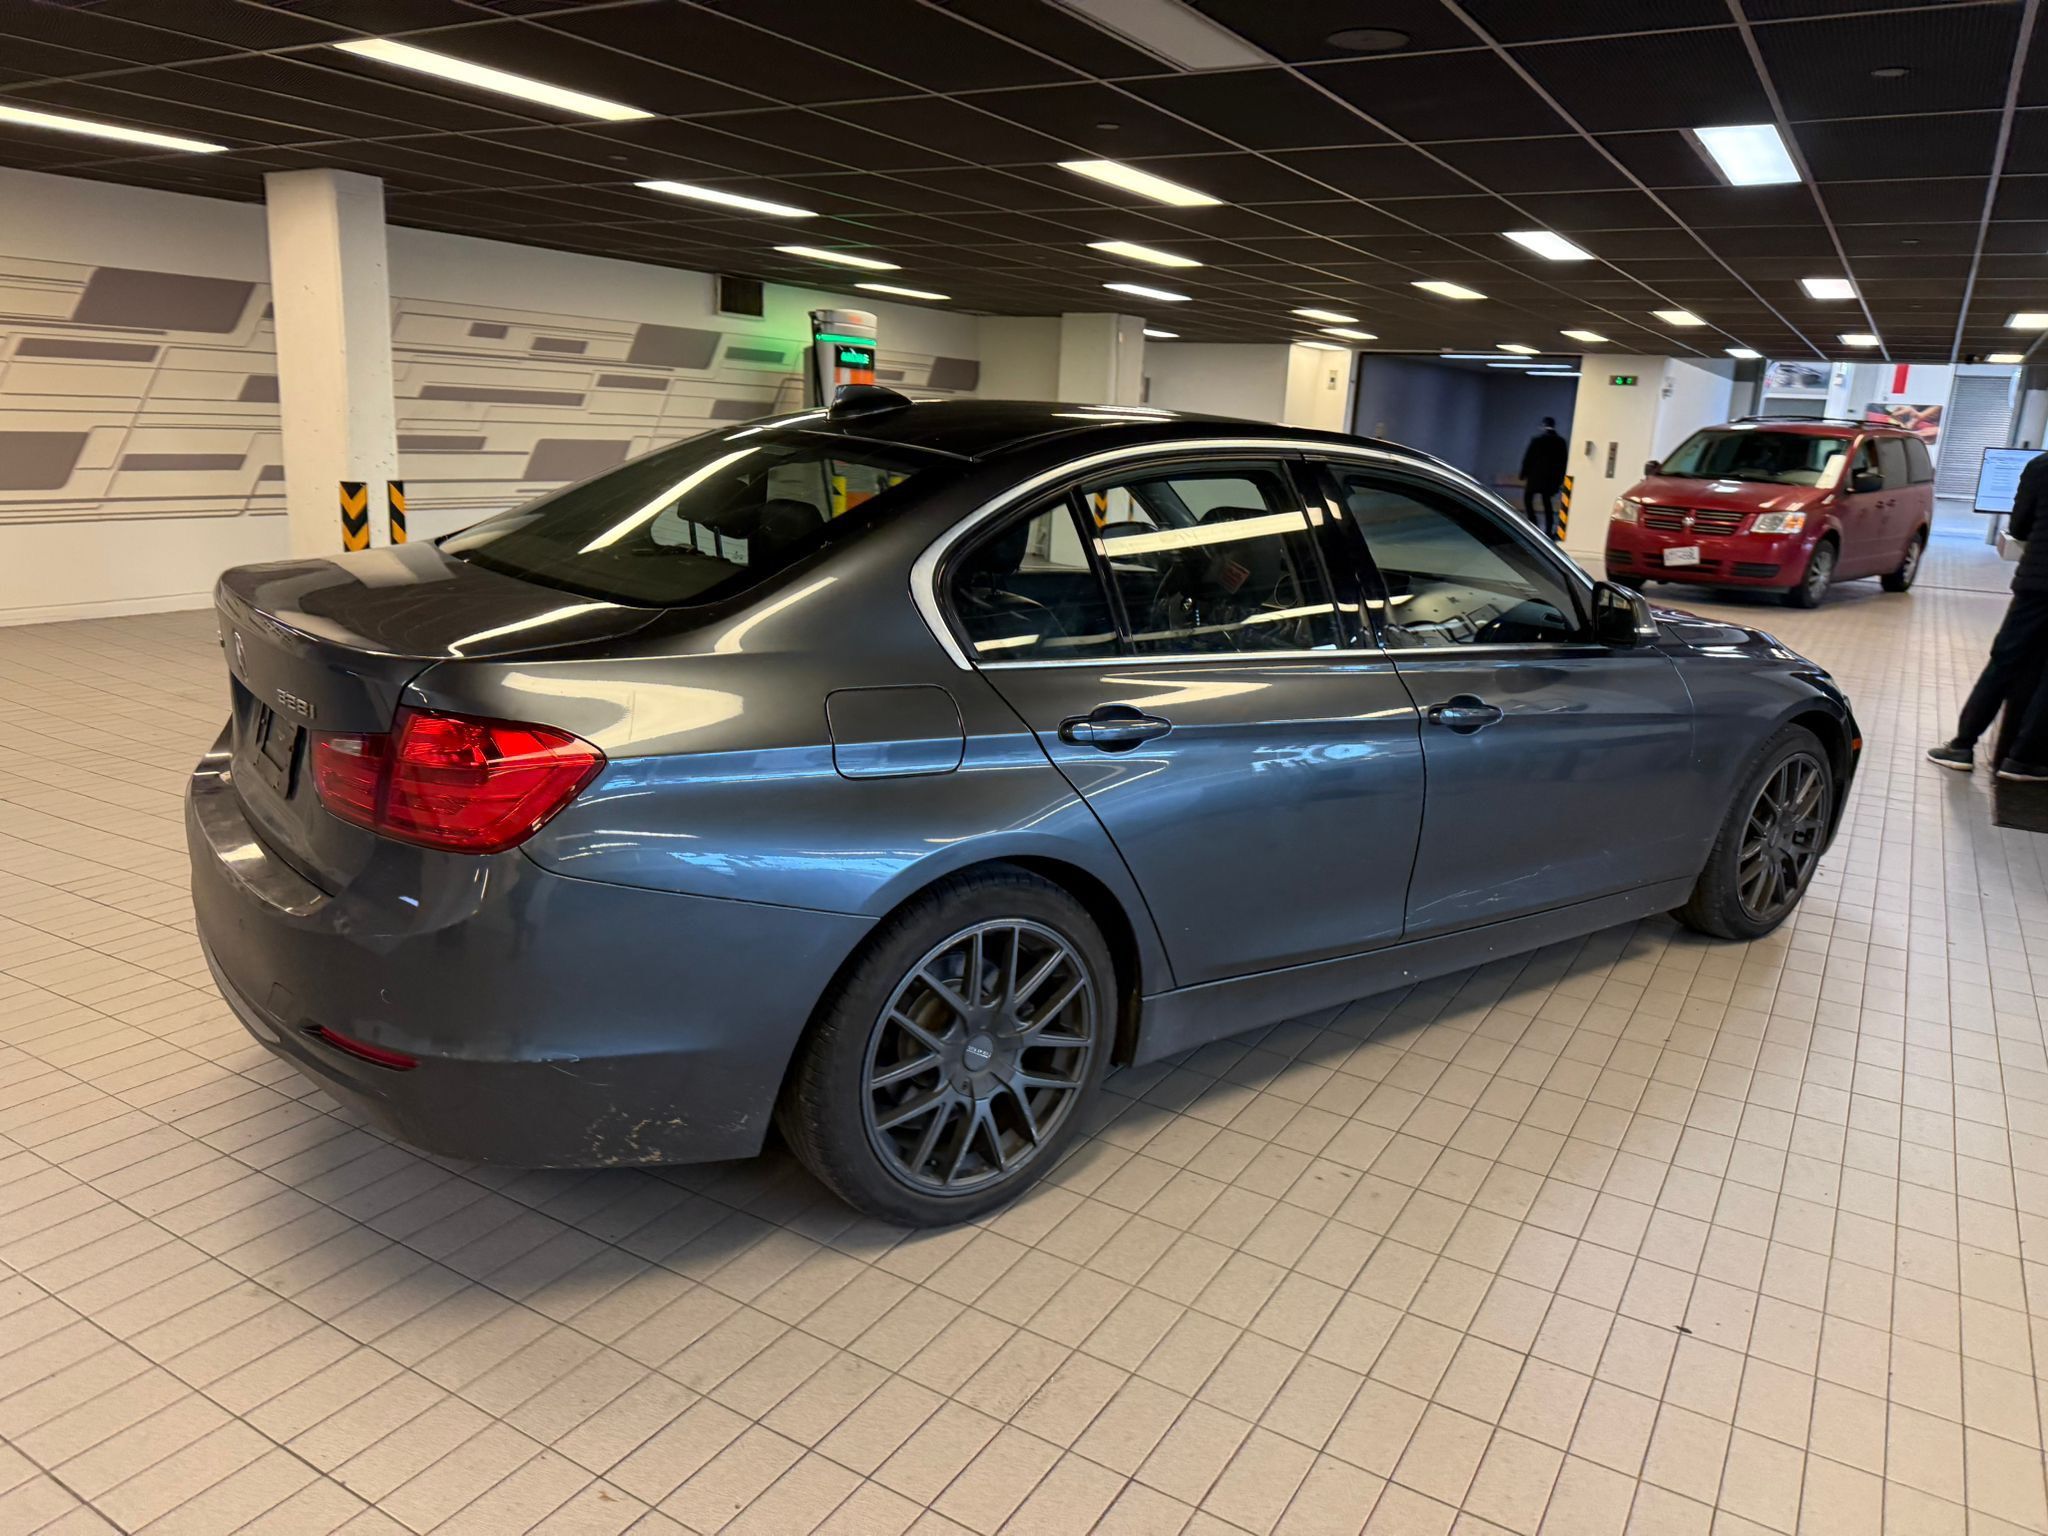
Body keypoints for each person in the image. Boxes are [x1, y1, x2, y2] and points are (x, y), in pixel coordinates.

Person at [1929, 449, 2048, 780]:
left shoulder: (2041, 466)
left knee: (2004, 661)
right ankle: (2023, 760)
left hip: (2036, 584)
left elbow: (2020, 526)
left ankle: (1963, 744)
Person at [1521, 417, 1568, 534]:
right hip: (1551, 479)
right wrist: (1559, 480)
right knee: (1547, 502)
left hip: (1535, 477)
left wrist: (1523, 474)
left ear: (1543, 425)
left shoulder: (1537, 441)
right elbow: (1563, 463)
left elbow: (1528, 459)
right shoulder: (1560, 442)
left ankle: (1534, 524)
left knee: (1528, 499)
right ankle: (1548, 530)